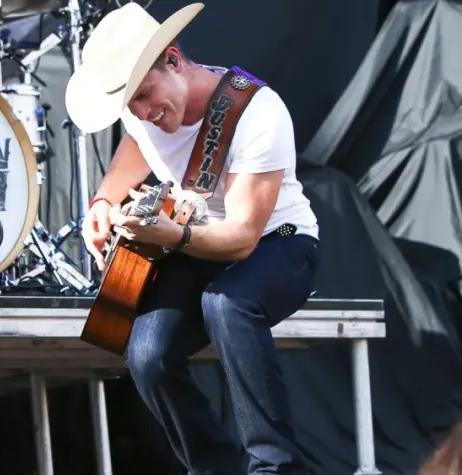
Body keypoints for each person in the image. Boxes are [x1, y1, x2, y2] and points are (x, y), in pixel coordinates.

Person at [65, 3, 320, 474]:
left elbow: (243, 238)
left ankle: (276, 466)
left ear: (174, 59)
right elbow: (134, 146)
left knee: (228, 303)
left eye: (145, 95)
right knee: (147, 356)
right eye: (131, 106)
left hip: (278, 243)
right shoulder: (141, 112)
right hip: (193, 241)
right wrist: (102, 205)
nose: (144, 112)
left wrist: (172, 235)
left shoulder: (257, 111)